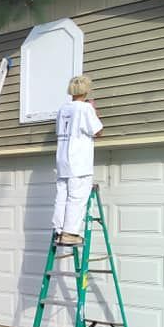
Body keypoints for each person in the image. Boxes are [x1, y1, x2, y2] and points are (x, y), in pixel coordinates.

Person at [52, 74, 103, 245]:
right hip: (78, 161)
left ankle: (59, 230)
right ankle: (70, 233)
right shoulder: (85, 109)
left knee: (62, 196)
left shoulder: (62, 109)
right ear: (86, 90)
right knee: (77, 196)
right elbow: (97, 131)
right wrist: (94, 110)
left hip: (62, 160)